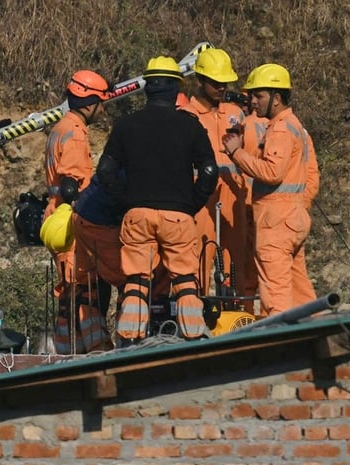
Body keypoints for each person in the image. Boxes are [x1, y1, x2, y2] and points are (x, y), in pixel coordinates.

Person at [97, 56, 218, 346]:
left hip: (137, 215)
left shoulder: (127, 125)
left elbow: (105, 171)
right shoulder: (190, 125)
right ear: (176, 88)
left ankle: (129, 339)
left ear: (147, 88)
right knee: (185, 279)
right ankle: (194, 336)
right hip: (179, 217)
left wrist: (125, 202)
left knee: (137, 280)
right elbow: (209, 169)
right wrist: (193, 202)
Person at [222, 64, 317, 315]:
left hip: (277, 222)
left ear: (276, 98)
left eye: (259, 95)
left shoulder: (281, 128)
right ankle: (318, 338)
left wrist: (236, 152)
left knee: (276, 297)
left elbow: (272, 172)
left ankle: (282, 348)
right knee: (300, 292)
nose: (252, 101)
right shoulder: (293, 125)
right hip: (292, 217)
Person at [43, 70, 110, 354]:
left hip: (57, 216)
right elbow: (71, 185)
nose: (103, 109)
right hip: (70, 220)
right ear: (90, 102)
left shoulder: (60, 127)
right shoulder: (75, 135)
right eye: (101, 103)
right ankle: (97, 350)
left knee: (69, 292)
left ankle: (67, 350)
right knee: (84, 289)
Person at [180, 48, 249, 300]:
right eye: (215, 82)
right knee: (199, 258)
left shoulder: (236, 113)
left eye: (224, 82)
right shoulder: (187, 116)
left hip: (233, 194)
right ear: (200, 81)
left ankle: (237, 317)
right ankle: (197, 315)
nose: (221, 87)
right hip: (201, 197)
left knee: (235, 261)